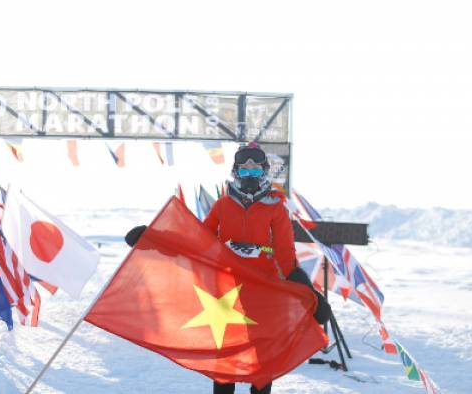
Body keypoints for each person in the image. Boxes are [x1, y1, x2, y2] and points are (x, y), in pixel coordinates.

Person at [125, 142, 330, 394]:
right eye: (245, 171)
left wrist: (311, 295)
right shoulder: (223, 205)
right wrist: (153, 239)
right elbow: (198, 241)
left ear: (265, 172)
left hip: (262, 294)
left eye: (255, 171)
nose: (250, 176)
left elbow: (287, 258)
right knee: (226, 359)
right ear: (235, 173)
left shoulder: (275, 209)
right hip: (227, 291)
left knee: (262, 359)